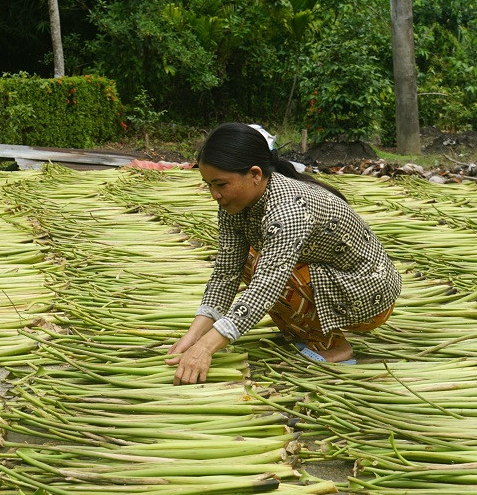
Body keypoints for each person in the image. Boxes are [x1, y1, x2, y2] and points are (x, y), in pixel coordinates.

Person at [167, 122, 402, 385]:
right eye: (208, 184)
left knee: (270, 272)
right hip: (328, 277)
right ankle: (310, 330)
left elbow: (266, 286)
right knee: (248, 261)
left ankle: (333, 345)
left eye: (220, 184)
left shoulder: (287, 210)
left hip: (367, 292)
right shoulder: (235, 205)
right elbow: (225, 273)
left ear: (255, 174)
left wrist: (207, 348)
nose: (214, 194)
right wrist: (193, 336)